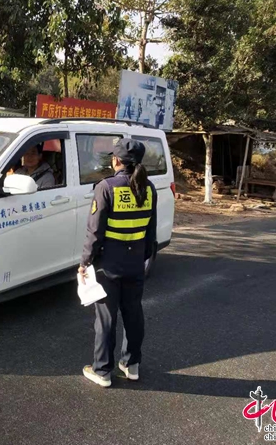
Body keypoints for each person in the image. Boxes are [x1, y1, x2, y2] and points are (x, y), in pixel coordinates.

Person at [79, 138, 157, 388]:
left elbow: (95, 232)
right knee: (133, 313)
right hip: (136, 262)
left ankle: (102, 370)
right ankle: (131, 365)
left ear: (116, 160)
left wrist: (85, 262)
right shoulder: (149, 188)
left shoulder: (106, 187)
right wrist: (143, 258)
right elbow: (151, 231)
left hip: (109, 264)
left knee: (106, 318)